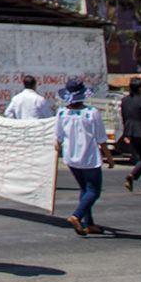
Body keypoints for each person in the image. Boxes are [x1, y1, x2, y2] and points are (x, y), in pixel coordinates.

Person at [55, 77, 114, 234]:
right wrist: (109, 157)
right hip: (88, 157)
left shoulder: (62, 113)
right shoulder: (91, 113)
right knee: (93, 191)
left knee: (84, 188)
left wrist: (58, 148)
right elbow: (101, 138)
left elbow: (58, 138)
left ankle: (89, 223)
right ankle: (77, 216)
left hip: (71, 156)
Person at [120, 77, 141, 194]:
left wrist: (126, 134)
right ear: (139, 89)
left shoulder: (125, 101)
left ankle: (132, 176)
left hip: (131, 132)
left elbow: (124, 118)